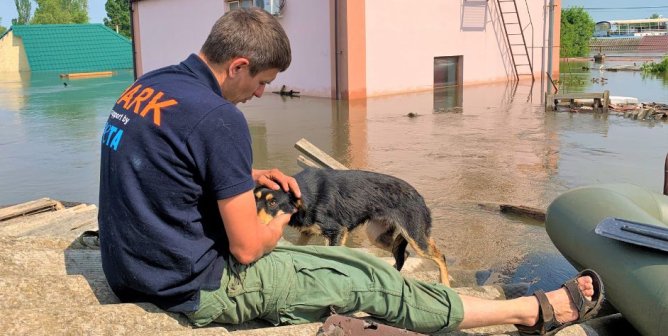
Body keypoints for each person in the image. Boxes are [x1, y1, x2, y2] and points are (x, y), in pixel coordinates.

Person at [98, 8, 604, 335]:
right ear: (238, 65)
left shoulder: (152, 83)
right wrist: (282, 211)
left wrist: (243, 174)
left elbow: (167, 158)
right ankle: (531, 312)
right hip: (194, 288)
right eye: (261, 82)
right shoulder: (219, 118)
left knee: (366, 262)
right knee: (369, 279)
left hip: (129, 271)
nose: (260, 94)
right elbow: (249, 248)